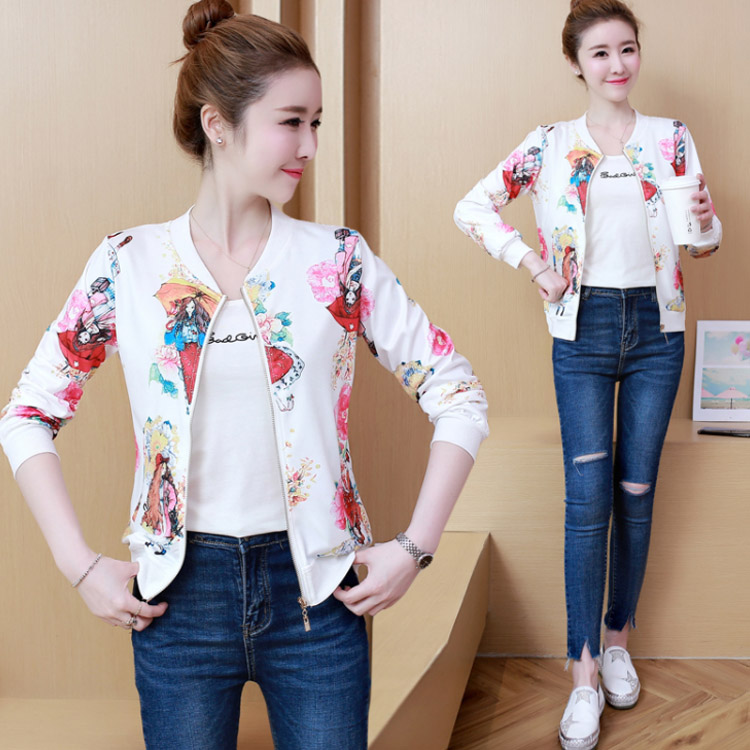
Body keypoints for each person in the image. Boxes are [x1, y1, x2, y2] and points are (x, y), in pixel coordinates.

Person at [0, 3, 488, 749]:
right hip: (178, 599)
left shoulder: (338, 260)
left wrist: (415, 547)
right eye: (291, 122)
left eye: (316, 122)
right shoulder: (129, 264)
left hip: (318, 595)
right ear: (218, 124)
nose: (310, 144)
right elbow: (28, 413)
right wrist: (79, 566)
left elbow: (458, 393)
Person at [453, 1, 721, 748]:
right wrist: (534, 265)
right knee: (587, 498)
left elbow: (702, 243)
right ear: (576, 63)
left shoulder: (671, 138)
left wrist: (706, 218)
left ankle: (618, 641)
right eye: (600, 52)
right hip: (583, 329)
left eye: (626, 48)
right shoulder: (549, 144)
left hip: (659, 329)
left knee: (636, 490)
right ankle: (582, 674)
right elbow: (473, 207)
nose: (616, 64)